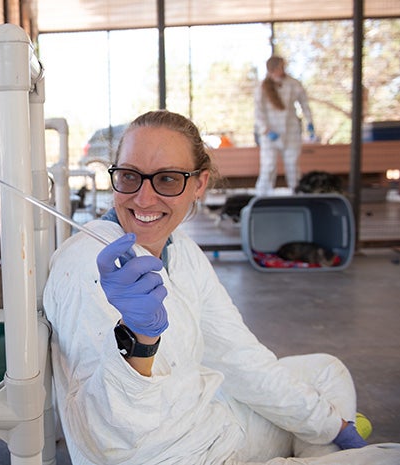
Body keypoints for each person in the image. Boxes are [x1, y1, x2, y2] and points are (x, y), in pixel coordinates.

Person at [43, 109, 400, 464]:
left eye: (167, 179)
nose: (144, 198)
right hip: (170, 455)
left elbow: (239, 357)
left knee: (325, 372)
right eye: (129, 176)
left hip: (216, 424)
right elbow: (110, 438)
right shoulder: (90, 266)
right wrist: (137, 339)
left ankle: (322, 448)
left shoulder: (180, 249)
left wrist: (331, 428)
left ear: (199, 184)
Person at [254, 55, 315, 196]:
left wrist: (310, 122)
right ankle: (262, 197)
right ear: (271, 69)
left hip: (291, 131)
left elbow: (304, 104)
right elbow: (258, 112)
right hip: (270, 133)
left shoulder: (294, 84)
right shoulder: (262, 88)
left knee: (292, 165)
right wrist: (265, 129)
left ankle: (297, 196)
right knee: (268, 166)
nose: (280, 70)